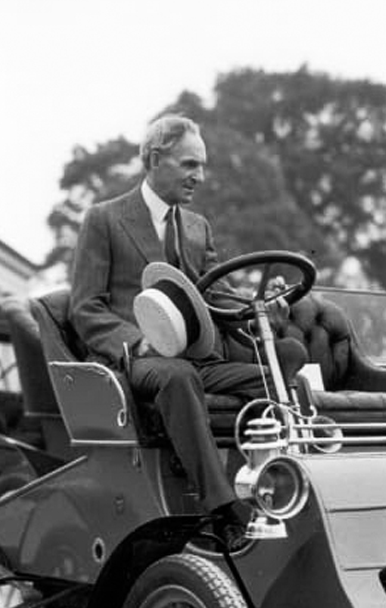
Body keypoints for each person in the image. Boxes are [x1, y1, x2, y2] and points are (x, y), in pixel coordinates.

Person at [68, 113, 306, 549]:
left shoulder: (197, 227)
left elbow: (221, 298)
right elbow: (86, 308)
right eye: (189, 164)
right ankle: (223, 508)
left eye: (202, 165)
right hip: (139, 363)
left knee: (287, 359)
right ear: (156, 159)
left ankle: (277, 482)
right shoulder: (103, 219)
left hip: (199, 359)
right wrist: (137, 340)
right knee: (178, 376)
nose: (200, 176)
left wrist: (264, 306)